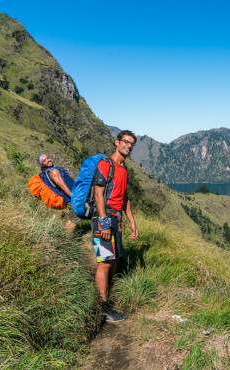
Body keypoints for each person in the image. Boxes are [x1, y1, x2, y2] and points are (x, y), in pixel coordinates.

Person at [91, 130, 139, 322]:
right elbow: (98, 195)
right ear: (117, 142)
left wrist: (132, 221)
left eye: (132, 143)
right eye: (126, 142)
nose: (129, 145)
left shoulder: (124, 169)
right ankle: (102, 308)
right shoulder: (105, 165)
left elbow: (124, 197)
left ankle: (107, 299)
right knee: (105, 262)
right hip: (104, 218)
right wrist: (103, 222)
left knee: (114, 259)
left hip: (117, 219)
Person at [37, 154, 81, 232]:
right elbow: (62, 186)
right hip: (71, 197)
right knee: (76, 218)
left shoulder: (52, 170)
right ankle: (66, 239)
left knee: (72, 217)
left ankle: (63, 235)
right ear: (42, 165)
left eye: (48, 158)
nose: (48, 160)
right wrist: (73, 197)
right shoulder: (53, 171)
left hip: (72, 195)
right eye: (44, 160)